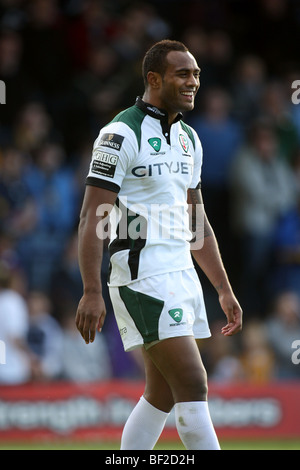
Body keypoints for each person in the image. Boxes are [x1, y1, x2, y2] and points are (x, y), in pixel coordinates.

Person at [75, 40, 242, 451]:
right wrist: (92, 290)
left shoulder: (190, 140)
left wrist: (222, 287)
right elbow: (91, 216)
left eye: (197, 74)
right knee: (192, 381)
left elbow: (196, 222)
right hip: (140, 274)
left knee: (162, 393)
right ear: (154, 79)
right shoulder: (120, 133)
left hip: (180, 272)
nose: (193, 82)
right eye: (183, 74)